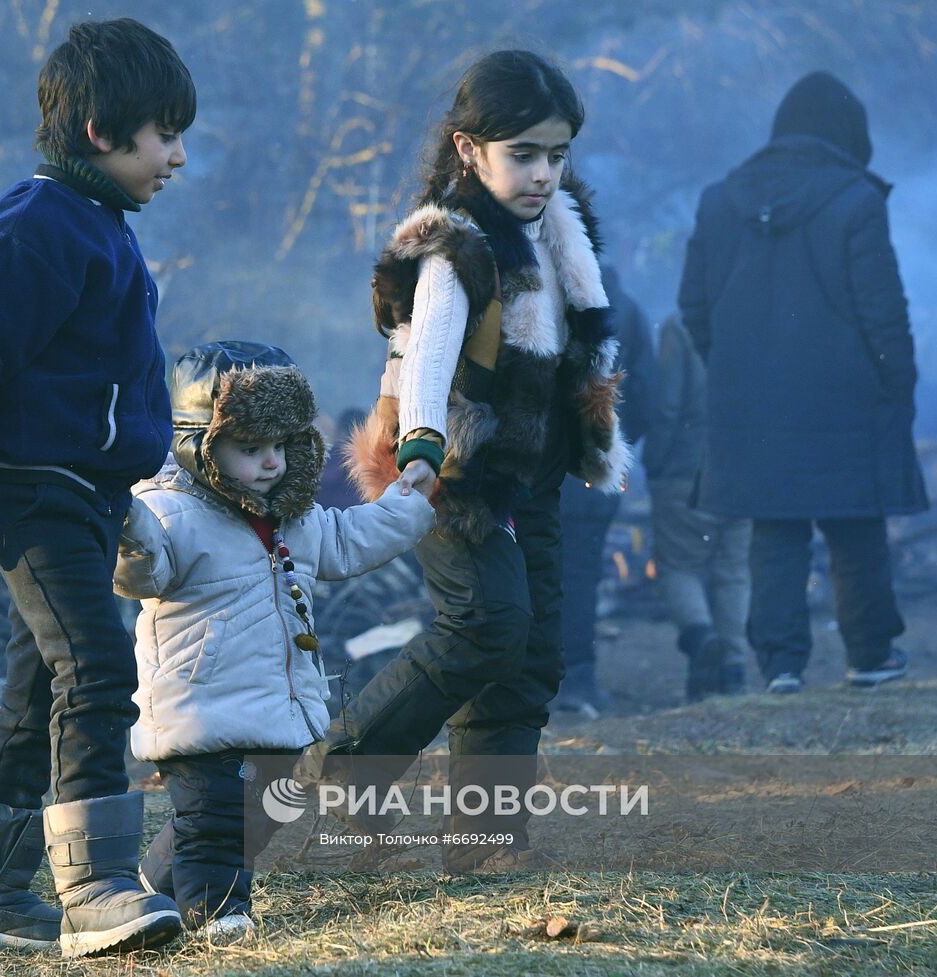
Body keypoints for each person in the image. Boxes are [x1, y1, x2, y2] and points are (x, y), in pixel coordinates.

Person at [302, 50, 630, 871]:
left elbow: (576, 352)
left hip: (535, 473)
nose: (544, 173)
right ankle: (348, 765)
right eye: (523, 153)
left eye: (557, 155)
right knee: (487, 623)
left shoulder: (562, 237)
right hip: (451, 473)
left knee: (532, 653)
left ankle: (482, 845)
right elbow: (425, 360)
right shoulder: (456, 248)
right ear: (466, 149)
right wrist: (418, 455)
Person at [0, 18, 195, 958]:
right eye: (163, 135)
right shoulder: (34, 227)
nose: (178, 157)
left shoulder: (99, 225)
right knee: (101, 667)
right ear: (99, 134)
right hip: (31, 490)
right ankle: (97, 887)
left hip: (82, 493)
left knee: (38, 687)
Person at [116, 341, 434, 941]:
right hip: (200, 708)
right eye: (251, 449)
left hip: (277, 711)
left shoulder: (294, 516)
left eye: (282, 447)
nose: (271, 463)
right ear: (198, 445)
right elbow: (140, 574)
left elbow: (350, 538)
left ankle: (150, 889)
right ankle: (218, 916)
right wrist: (123, 529)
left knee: (253, 816)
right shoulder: (164, 513)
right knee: (218, 823)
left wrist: (409, 499)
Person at [678, 71, 926, 694]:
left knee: (774, 528)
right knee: (856, 523)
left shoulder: (718, 200)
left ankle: (782, 668)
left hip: (751, 401)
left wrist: (734, 367)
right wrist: (899, 383)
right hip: (848, 398)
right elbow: (884, 312)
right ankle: (870, 657)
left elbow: (694, 309)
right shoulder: (857, 200)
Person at [553, 263, 655, 718]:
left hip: (534, 470)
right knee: (580, 575)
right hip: (594, 472)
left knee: (529, 570)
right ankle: (576, 677)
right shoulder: (623, 308)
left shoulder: (531, 299)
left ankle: (527, 678)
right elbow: (647, 394)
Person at [643, 313, 752, 702]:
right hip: (743, 469)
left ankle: (703, 640)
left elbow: (668, 406)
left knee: (678, 565)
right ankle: (733, 669)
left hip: (687, 469)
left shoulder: (682, 325)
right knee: (733, 572)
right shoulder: (757, 320)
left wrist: (654, 463)